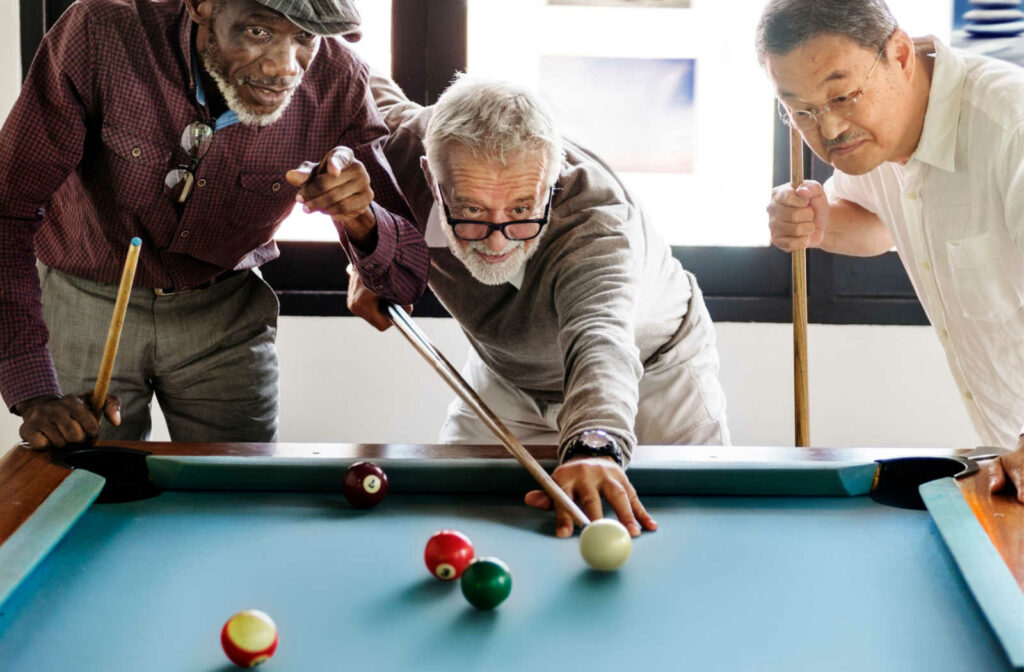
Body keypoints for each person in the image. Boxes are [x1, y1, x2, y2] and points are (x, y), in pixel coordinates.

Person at [0, 0, 429, 449]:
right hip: (84, 302)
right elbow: (9, 209)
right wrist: (34, 392)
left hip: (224, 311)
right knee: (85, 482)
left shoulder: (341, 79)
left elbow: (406, 279)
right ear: (203, 6)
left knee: (244, 494)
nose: (285, 69)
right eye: (258, 33)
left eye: (304, 37)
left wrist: (360, 219)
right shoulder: (99, 33)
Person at [348, 73, 730, 537]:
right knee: (452, 520)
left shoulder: (597, 223)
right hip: (507, 374)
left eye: (520, 211)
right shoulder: (400, 150)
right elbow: (339, 73)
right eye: (470, 211)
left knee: (695, 535)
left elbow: (601, 339)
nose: (495, 240)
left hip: (655, 377)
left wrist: (594, 445)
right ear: (431, 175)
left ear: (554, 182)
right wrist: (370, 251)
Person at [758, 0, 1024, 501]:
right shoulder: (878, 141)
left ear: (900, 54)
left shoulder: (1011, 127)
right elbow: (881, 224)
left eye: (842, 96)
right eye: (802, 111)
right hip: (1005, 455)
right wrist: (821, 224)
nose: (830, 130)